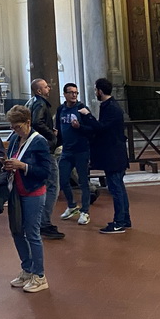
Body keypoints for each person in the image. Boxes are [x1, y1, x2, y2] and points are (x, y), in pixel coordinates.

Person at [3, 105, 51, 293]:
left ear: (28, 123)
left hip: (33, 192)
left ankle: (39, 276)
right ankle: (27, 269)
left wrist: (23, 166)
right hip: (16, 191)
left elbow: (45, 172)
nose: (14, 130)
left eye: (17, 126)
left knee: (32, 233)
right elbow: (12, 157)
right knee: (16, 231)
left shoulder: (39, 142)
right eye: (12, 126)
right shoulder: (15, 138)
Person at [77, 78, 131, 233]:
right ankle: (124, 219)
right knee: (118, 188)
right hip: (114, 154)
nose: (95, 93)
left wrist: (87, 116)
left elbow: (101, 128)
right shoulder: (108, 106)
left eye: (95, 90)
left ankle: (120, 222)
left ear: (99, 91)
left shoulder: (111, 108)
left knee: (116, 189)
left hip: (114, 155)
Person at [27, 78, 63, 239]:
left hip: (37, 149)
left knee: (42, 186)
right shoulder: (40, 104)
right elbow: (37, 122)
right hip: (45, 149)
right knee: (52, 186)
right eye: (45, 87)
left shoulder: (32, 102)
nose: (49, 88)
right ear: (39, 91)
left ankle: (38, 221)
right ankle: (45, 223)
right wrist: (51, 134)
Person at [56, 83, 91, 225]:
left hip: (81, 151)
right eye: (71, 92)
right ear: (65, 94)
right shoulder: (61, 109)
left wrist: (80, 127)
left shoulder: (82, 109)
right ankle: (72, 206)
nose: (74, 95)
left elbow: (91, 128)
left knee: (83, 182)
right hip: (67, 151)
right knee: (63, 180)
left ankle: (85, 211)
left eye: (76, 92)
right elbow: (58, 126)